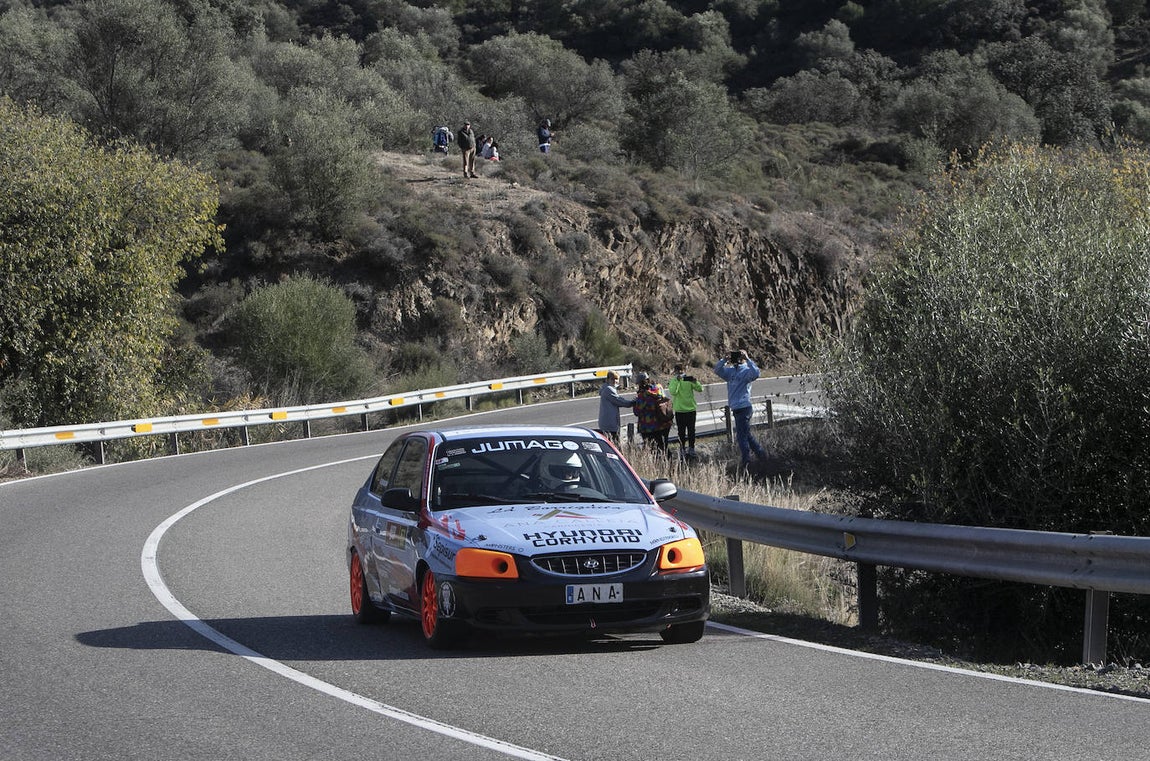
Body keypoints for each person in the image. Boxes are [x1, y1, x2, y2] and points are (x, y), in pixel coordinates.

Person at [714, 349, 767, 467]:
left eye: (739, 356)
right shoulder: (730, 372)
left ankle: (746, 461)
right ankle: (762, 455)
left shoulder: (747, 371)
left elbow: (757, 373)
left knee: (741, 436)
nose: (737, 358)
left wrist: (748, 359)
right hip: (736, 408)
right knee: (746, 435)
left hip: (744, 407)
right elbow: (717, 370)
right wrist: (724, 360)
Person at [632, 372, 673, 454]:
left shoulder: (642, 395)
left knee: (653, 449)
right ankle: (669, 463)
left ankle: (659, 465)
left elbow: (637, 412)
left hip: (648, 426)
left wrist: (634, 402)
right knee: (663, 447)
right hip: (663, 423)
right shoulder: (658, 388)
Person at [668, 364, 704, 457]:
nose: (680, 373)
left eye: (682, 371)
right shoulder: (673, 381)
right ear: (675, 372)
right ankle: (682, 449)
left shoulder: (689, 379)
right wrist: (678, 381)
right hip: (680, 410)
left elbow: (700, 389)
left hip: (691, 409)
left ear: (684, 371)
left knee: (691, 431)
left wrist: (695, 382)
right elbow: (673, 392)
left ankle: (691, 449)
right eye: (678, 371)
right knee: (681, 432)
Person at [597, 370, 634, 443]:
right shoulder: (608, 389)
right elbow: (619, 401)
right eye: (612, 379)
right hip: (610, 424)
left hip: (608, 423)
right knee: (614, 445)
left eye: (616, 379)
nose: (614, 381)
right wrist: (632, 403)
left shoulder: (608, 388)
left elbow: (619, 399)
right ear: (607, 379)